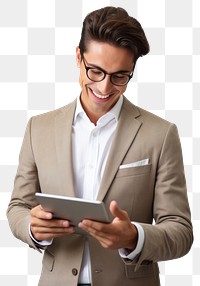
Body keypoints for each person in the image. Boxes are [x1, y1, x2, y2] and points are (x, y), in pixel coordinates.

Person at [7, 6, 193, 286]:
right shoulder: (38, 128)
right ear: (78, 58)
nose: (105, 88)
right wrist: (33, 228)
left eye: (120, 76)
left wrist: (134, 237)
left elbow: (180, 232)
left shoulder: (161, 134)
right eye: (95, 71)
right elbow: (18, 206)